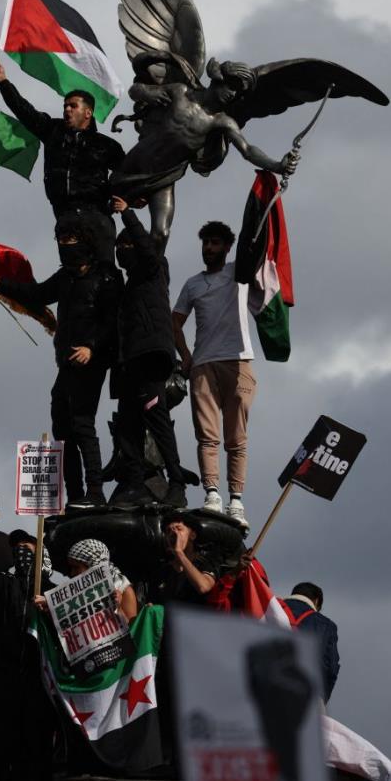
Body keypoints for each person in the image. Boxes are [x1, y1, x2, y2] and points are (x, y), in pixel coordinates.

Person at [0, 216, 122, 506]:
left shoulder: (106, 276)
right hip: (66, 361)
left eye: (71, 241)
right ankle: (76, 494)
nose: (65, 247)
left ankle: (95, 491)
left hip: (91, 360)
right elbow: (37, 293)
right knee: (62, 429)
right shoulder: (65, 277)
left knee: (82, 424)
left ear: (86, 242)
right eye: (61, 242)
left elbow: (113, 320)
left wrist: (91, 348)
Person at [0, 58, 125, 263]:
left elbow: (128, 173)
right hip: (64, 216)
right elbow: (24, 111)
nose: (67, 109)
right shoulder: (53, 131)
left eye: (73, 106)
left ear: (88, 112)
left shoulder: (106, 145)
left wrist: (128, 200)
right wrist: (3, 81)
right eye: (65, 106)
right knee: (72, 275)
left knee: (103, 274)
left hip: (96, 217)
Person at [172, 221, 256, 528]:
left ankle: (236, 499)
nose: (209, 248)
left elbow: (256, 246)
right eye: (206, 243)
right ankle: (212, 493)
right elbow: (175, 321)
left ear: (227, 247)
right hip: (204, 364)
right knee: (206, 435)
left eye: (216, 243)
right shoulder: (193, 284)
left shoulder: (239, 273)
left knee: (237, 437)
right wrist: (186, 358)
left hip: (238, 360)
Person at [110, 196, 187, 508]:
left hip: (151, 356)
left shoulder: (153, 271)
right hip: (130, 362)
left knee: (156, 418)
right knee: (128, 424)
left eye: (125, 245)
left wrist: (127, 214)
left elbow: (148, 249)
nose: (121, 251)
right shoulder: (128, 288)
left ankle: (176, 482)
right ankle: (133, 481)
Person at [0, 504, 56, 781]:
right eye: (15, 547)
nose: (21, 551)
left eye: (27, 547)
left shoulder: (52, 590)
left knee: (36, 746)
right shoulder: (5, 585)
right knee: (1, 745)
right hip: (6, 676)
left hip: (38, 677)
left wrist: (48, 609)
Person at [282, 582, 340, 704]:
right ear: (316, 601)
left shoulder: (269, 609)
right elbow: (331, 669)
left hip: (266, 685)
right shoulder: (326, 625)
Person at [150, 515, 221, 606]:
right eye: (168, 531)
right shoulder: (162, 571)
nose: (173, 534)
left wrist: (179, 552)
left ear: (192, 535)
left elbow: (204, 587)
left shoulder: (205, 562)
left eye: (179, 529)